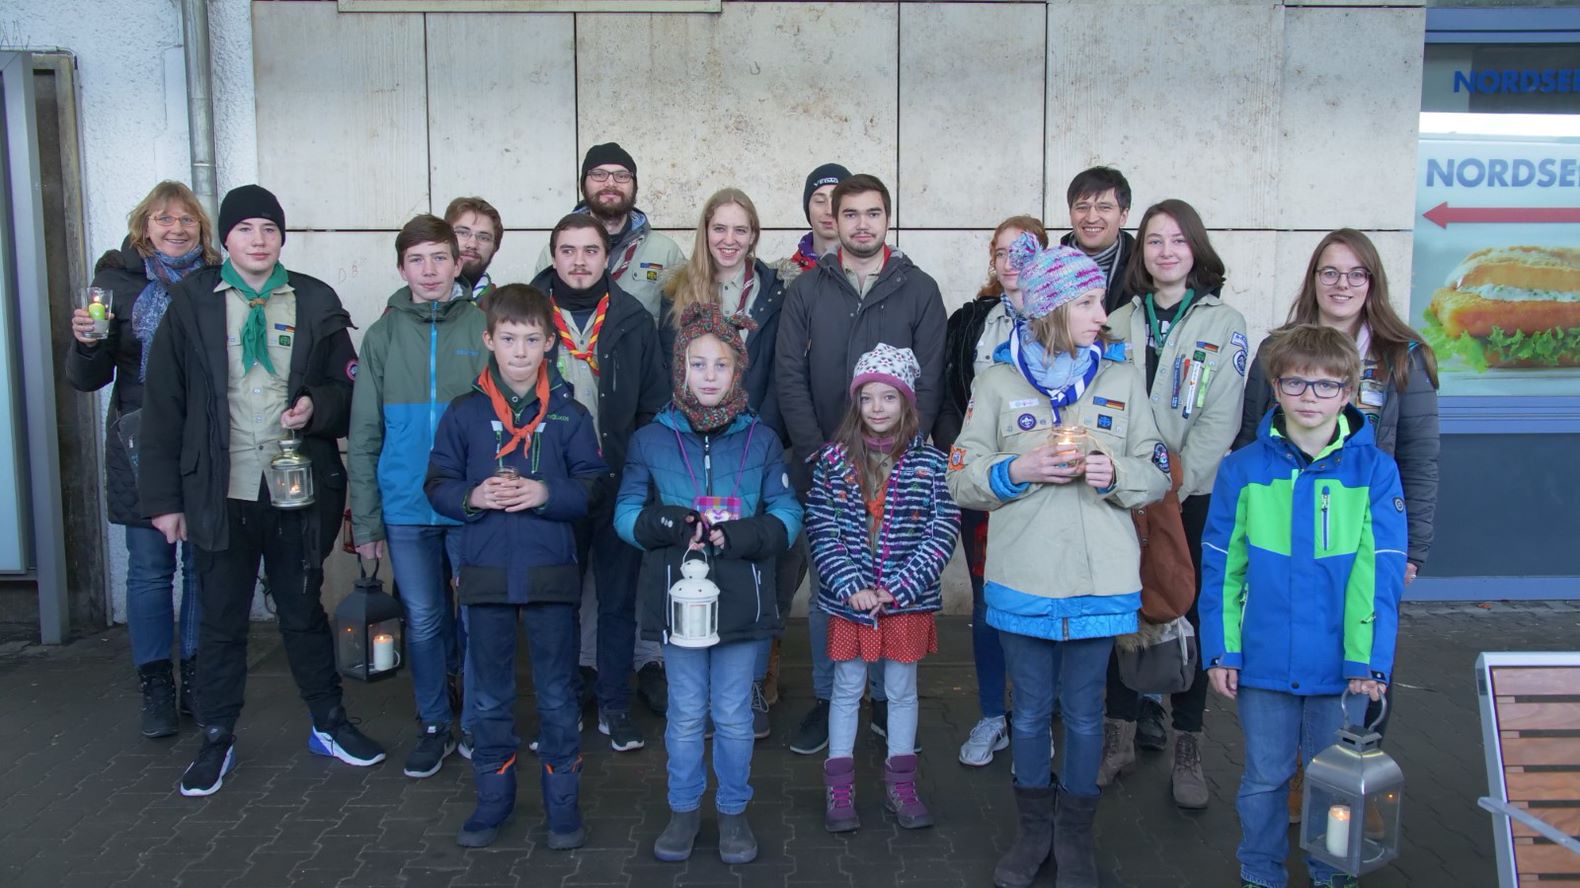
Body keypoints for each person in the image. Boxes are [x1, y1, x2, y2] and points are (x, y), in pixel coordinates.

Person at [140, 184, 385, 797]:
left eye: (269, 229)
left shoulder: (314, 298)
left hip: (295, 492)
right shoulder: (191, 302)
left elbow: (349, 390)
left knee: (302, 612)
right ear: (224, 238)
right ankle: (216, 736)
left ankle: (329, 722)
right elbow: (164, 405)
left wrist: (316, 406)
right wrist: (164, 502)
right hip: (219, 492)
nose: (258, 240)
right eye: (245, 229)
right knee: (221, 620)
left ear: (282, 237)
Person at [947, 236, 1168, 888]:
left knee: (1085, 713)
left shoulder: (1121, 378)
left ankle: (1074, 839)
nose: (1103, 314)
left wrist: (1114, 472)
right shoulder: (997, 380)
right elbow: (960, 476)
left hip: (1099, 580)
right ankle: (1033, 834)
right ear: (1051, 306)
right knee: (1028, 711)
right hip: (1024, 576)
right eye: (1089, 302)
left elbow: (1157, 469)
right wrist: (1016, 469)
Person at [1235, 228, 1438, 819]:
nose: (1342, 284)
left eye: (1355, 273)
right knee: (1291, 649)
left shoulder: (1403, 357)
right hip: (1285, 534)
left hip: (1366, 537)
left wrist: (1412, 548)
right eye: (1330, 272)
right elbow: (1251, 439)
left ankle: (1352, 779)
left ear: (1372, 282)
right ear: (1313, 279)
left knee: (1363, 658)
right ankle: (1299, 778)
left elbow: (1420, 458)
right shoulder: (1278, 349)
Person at [1202, 324, 1405, 888]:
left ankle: (1331, 872)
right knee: (1265, 778)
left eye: (1325, 385)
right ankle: (1260, 870)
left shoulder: (1375, 472)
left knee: (1335, 782)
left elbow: (1379, 575)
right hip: (1263, 660)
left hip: (1341, 668)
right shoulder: (1243, 469)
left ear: (1348, 393)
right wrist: (1222, 651)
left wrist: (1369, 662)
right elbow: (1222, 567)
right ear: (1276, 387)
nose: (1309, 397)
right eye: (1295, 383)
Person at [424, 283, 609, 849]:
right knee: (488, 697)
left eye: (531, 340)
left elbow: (593, 485)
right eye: (509, 339)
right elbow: (437, 482)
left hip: (551, 574)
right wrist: (472, 496)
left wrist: (546, 493)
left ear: (550, 343)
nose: (520, 351)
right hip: (485, 574)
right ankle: (493, 802)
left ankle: (563, 809)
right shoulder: (464, 413)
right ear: (489, 341)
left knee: (556, 694)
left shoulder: (571, 414)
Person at [616, 303, 801, 864]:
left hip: (742, 600)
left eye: (722, 365)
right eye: (698, 364)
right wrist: (668, 523)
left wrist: (744, 535)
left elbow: (788, 513)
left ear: (738, 370)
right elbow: (626, 515)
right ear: (681, 368)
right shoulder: (650, 440)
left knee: (734, 715)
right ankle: (683, 809)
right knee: (686, 714)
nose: (710, 376)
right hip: (681, 603)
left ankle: (734, 811)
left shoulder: (762, 440)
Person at [776, 173, 947, 756]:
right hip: (829, 465)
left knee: (891, 581)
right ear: (833, 219)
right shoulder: (808, 289)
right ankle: (830, 699)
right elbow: (789, 376)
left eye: (873, 213)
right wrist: (817, 452)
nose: (862, 224)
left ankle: (883, 701)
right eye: (850, 214)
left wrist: (906, 455)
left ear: (887, 219)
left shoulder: (919, 289)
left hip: (899, 469)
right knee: (835, 583)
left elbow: (930, 379)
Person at [1098, 199, 1247, 808]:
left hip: (1189, 498)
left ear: (1196, 250)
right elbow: (1104, 409)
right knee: (1123, 611)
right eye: (1155, 241)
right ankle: (1119, 736)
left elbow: (1221, 420)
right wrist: (1130, 484)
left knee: (1188, 611)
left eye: (1178, 240)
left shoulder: (1223, 322)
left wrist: (1169, 491)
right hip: (1124, 495)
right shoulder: (1117, 320)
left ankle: (1188, 745)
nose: (1166, 252)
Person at [66, 180, 220, 738]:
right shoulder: (114, 285)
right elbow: (89, 379)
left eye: (187, 220)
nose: (176, 229)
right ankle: (156, 684)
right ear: (144, 227)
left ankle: (197, 679)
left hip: (202, 440)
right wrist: (87, 343)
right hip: (139, 442)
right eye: (164, 219)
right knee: (151, 569)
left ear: (201, 229)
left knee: (201, 566)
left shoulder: (218, 281)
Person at [348, 214, 488, 779]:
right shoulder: (381, 336)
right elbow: (364, 435)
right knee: (425, 621)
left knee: (477, 617)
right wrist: (366, 524)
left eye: (439, 258)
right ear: (401, 267)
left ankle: (477, 721)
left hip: (471, 503)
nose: (429, 271)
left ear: (458, 262)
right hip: (406, 507)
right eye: (416, 260)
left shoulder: (483, 325)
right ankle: (435, 724)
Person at [531, 213, 669, 749]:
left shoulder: (632, 318)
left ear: (606, 257)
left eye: (590, 250)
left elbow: (653, 406)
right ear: (553, 256)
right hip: (549, 486)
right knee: (557, 605)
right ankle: (560, 708)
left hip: (616, 482)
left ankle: (615, 705)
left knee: (616, 602)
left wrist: (641, 475)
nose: (579, 261)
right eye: (568, 250)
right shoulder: (528, 312)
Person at [810, 344, 959, 833]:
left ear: (906, 402)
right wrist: (851, 586)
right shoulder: (832, 461)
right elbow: (822, 527)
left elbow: (942, 531)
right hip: (850, 603)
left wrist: (900, 588)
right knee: (846, 688)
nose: (877, 407)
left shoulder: (932, 464)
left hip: (904, 604)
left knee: (900, 690)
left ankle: (902, 785)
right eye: (868, 397)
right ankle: (839, 787)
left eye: (889, 397)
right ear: (855, 402)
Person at [659, 187, 790, 737]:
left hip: (753, 443)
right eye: (720, 228)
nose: (729, 240)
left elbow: (783, 369)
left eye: (741, 229)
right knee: (697, 558)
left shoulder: (776, 292)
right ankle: (695, 691)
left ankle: (750, 685)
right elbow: (668, 369)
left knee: (752, 563)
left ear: (754, 235)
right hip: (694, 446)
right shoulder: (677, 291)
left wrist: (768, 437)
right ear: (704, 233)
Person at [936, 215, 1048, 767]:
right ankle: (991, 715)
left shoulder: (1064, 320)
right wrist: (963, 457)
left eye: (1022, 252)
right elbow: (948, 399)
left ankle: (1035, 716)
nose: (1010, 263)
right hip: (986, 487)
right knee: (987, 601)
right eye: (1000, 253)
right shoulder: (972, 321)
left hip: (1047, 486)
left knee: (1042, 601)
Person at [763, 161, 850, 709]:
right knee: (781, 563)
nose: (829, 209)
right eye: (819, 198)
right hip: (792, 444)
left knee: (835, 573)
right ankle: (765, 673)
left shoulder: (877, 272)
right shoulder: (778, 276)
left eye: (839, 199)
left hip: (850, 441)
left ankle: (840, 691)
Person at [534, 142, 685, 319]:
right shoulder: (555, 252)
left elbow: (680, 323)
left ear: (635, 187)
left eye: (622, 176)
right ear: (582, 185)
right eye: (599, 174)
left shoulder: (665, 252)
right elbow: (536, 319)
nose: (611, 183)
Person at [1059, 166, 1136, 315]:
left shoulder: (1143, 270)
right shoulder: (1049, 270)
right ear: (1070, 214)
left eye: (1104, 207)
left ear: (1123, 216)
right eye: (1082, 207)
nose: (1091, 218)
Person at [776, 162, 850, 285]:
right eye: (820, 201)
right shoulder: (783, 279)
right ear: (808, 208)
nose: (829, 211)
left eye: (837, 201)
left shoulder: (872, 270)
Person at [444, 196, 503, 304]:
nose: (472, 244)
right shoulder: (416, 299)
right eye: (462, 233)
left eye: (484, 237)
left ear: (495, 247)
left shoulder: (502, 307)